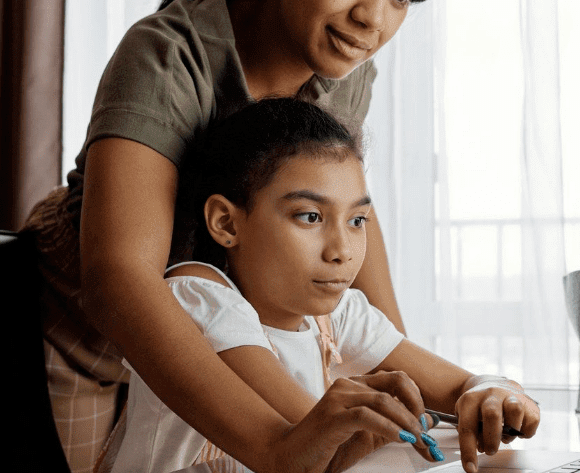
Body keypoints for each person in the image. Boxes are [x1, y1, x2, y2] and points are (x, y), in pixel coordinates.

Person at [21, 0, 456, 471]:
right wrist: (276, 446)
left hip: (221, 321)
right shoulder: (167, 54)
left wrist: (403, 380)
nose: (372, 17)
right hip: (89, 323)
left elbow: (344, 206)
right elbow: (120, 279)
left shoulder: (344, 64)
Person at [107, 98, 540, 473]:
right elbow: (309, 446)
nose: (342, 251)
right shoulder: (197, 297)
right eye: (310, 217)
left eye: (356, 221)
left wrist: (490, 392)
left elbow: (461, 385)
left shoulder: (337, 315)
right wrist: (396, 421)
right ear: (226, 222)